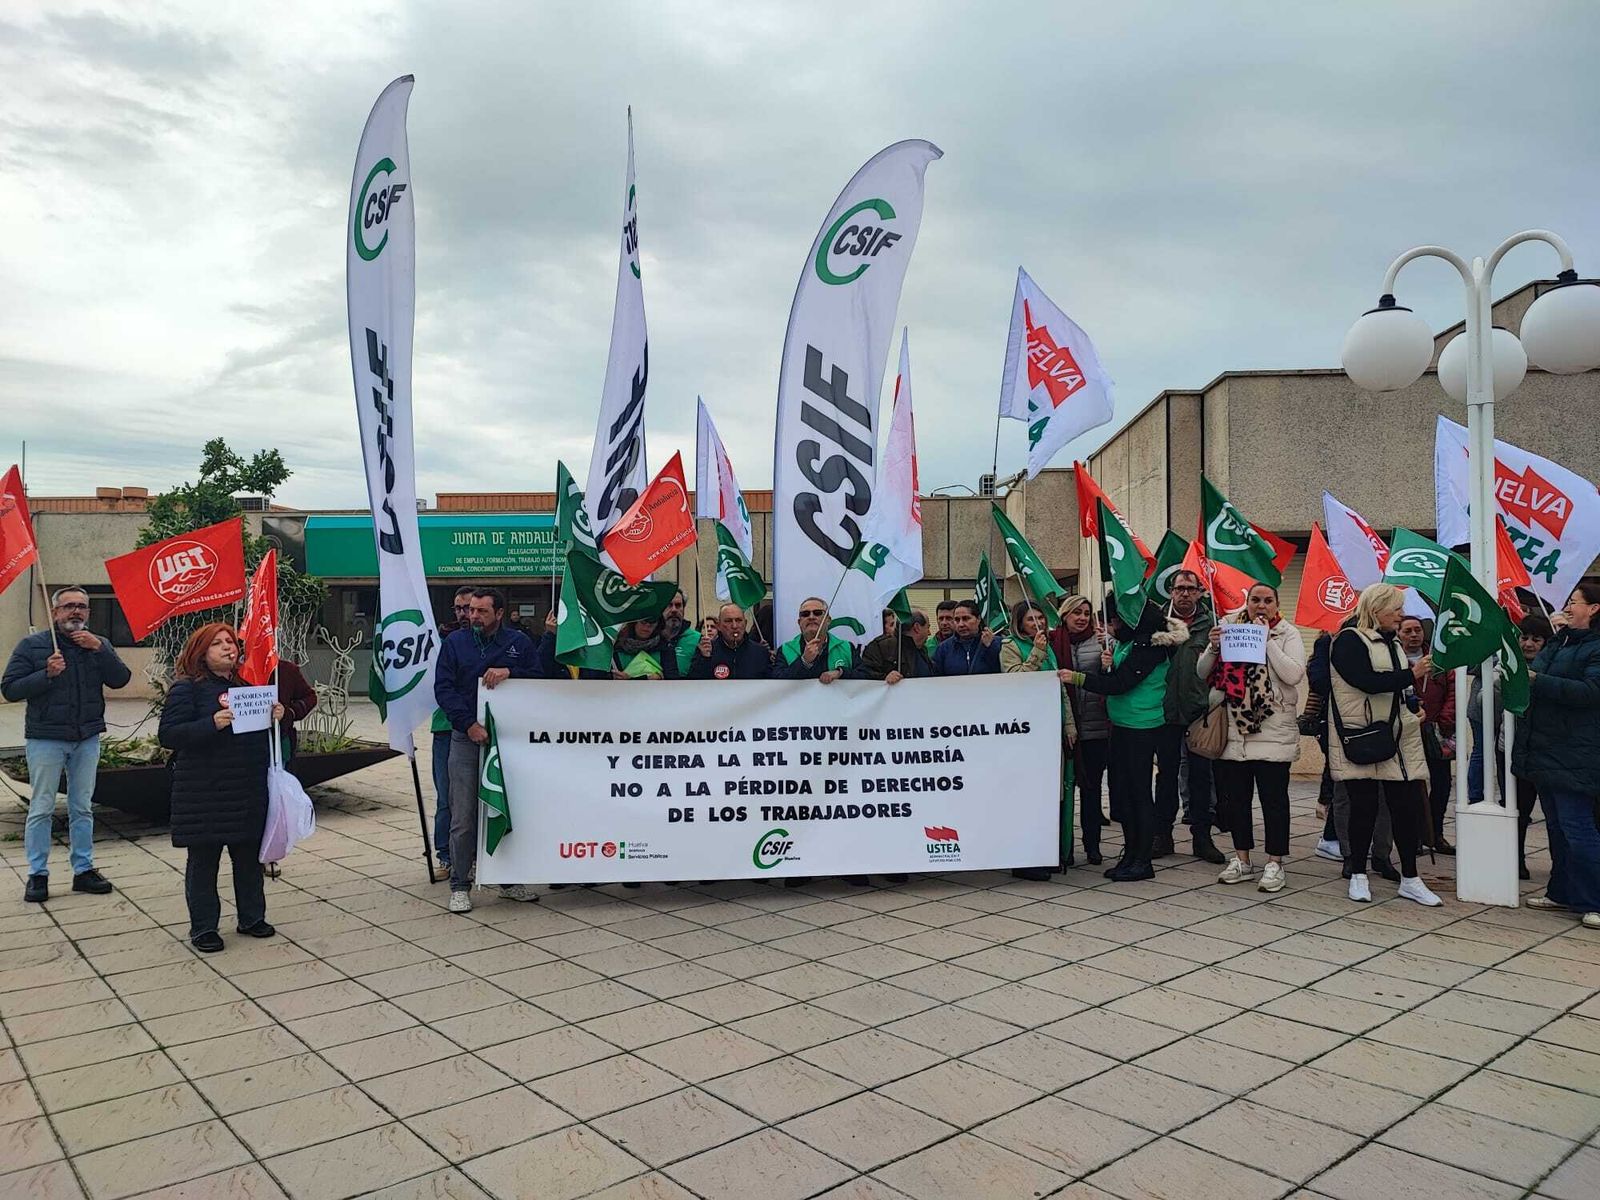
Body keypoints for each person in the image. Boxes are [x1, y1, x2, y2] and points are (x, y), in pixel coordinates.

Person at [158, 623, 283, 951]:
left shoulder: (247, 687)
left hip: (246, 789)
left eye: (230, 642)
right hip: (204, 792)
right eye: (218, 643)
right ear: (201, 652)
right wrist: (210, 724)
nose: (228, 647)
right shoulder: (186, 688)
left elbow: (260, 737)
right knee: (204, 863)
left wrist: (276, 716)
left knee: (248, 859)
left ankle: (252, 917)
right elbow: (169, 734)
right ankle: (203, 928)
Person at [4, 585, 131, 903]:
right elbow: (10, 689)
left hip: (86, 737)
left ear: (88, 612)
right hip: (46, 738)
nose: (76, 611)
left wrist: (100, 650)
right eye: (69, 606)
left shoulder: (98, 644)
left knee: (82, 807)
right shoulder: (33, 645)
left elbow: (120, 679)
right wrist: (46, 674)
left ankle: (83, 870)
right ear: (55, 611)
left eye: (82, 606)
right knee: (42, 807)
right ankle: (37, 874)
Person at [1327, 583, 1441, 906]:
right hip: (1364, 736)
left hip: (1399, 737)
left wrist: (1414, 704)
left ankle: (1411, 878)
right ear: (1376, 609)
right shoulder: (1348, 640)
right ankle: (1358, 875)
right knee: (1363, 808)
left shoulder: (1393, 642)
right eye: (1396, 608)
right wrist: (1412, 674)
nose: (1401, 615)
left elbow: (1397, 688)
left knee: (1405, 809)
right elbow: (1366, 681)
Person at [434, 587, 540, 913]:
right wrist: (468, 724)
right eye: (471, 610)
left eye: (481, 611)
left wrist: (512, 672)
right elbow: (443, 688)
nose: (473, 616)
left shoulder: (518, 643)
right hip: (466, 739)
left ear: (499, 613)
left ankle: (507, 881)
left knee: (505, 810)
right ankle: (460, 885)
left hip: (508, 741)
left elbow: (540, 677)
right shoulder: (455, 643)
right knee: (463, 815)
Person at [1068, 598, 1189, 882]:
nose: (1111, 625)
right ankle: (1131, 852)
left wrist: (1077, 678)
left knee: (1139, 794)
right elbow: (1116, 674)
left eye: (1114, 620)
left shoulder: (1150, 646)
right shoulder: (1129, 642)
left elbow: (1120, 684)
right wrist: (1107, 664)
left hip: (1141, 727)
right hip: (1122, 724)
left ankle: (1142, 859)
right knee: (1123, 794)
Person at [1198, 584, 1306, 893]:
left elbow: (1293, 675)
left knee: (1274, 801)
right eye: (1255, 600)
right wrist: (1213, 647)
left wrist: (1267, 641)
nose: (1261, 605)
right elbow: (1201, 672)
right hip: (1234, 731)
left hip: (1273, 730)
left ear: (1276, 604)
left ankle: (1275, 863)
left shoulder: (1287, 633)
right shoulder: (1230, 626)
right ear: (1247, 602)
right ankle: (1242, 859)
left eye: (1267, 600)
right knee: (1236, 802)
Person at [1513, 584, 1600, 928]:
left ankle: (1593, 900)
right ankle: (1561, 891)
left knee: (1578, 827)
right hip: (1546, 748)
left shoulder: (1595, 647)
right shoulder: (1560, 641)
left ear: (1593, 609)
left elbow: (1591, 692)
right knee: (1556, 827)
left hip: (1575, 751)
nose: (1567, 606)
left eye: (1574, 602)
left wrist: (1539, 681)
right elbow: (1537, 673)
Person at [1308, 623, 1398, 880]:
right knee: (1345, 793)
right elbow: (1319, 681)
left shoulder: (1386, 639)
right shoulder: (1330, 641)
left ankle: (1382, 854)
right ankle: (1349, 853)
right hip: (1343, 725)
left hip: (1382, 722)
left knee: (1384, 794)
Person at [1468, 614, 1550, 879]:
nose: (1529, 644)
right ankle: (1515, 860)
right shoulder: (1505, 662)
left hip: (1548, 751)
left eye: (1536, 639)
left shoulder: (1554, 666)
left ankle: (1562, 866)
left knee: (1554, 811)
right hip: (1511, 748)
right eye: (1524, 638)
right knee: (1515, 808)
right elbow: (1484, 703)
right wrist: (1501, 682)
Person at [1002, 600, 1079, 879]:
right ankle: (1026, 858)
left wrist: (1069, 724)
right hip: (1026, 731)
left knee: (1053, 794)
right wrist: (1036, 652)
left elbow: (1058, 687)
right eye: (1030, 619)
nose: (1038, 623)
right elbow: (1015, 681)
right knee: (1029, 796)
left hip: (1051, 727)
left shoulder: (1049, 648)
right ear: (1019, 623)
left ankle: (1051, 851)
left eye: (1040, 618)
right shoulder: (1010, 646)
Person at [1156, 571, 1225, 865]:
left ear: (1200, 592)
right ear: (1171, 591)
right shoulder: (1157, 621)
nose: (1185, 593)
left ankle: (1202, 838)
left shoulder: (1212, 624)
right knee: (1166, 776)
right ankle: (1162, 834)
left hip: (1200, 712)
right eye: (1179, 588)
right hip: (1164, 711)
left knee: (1200, 777)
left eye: (1191, 589)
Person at [427, 586, 475, 880]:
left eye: (468, 608)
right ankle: (446, 856)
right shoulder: (443, 640)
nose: (463, 614)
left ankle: (472, 855)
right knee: (447, 797)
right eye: (458, 608)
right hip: (446, 728)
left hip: (479, 729)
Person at [777, 598, 856, 682]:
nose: (811, 617)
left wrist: (840, 672)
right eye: (805, 614)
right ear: (799, 622)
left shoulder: (847, 647)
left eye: (817, 613)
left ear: (828, 620)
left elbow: (863, 675)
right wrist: (804, 661)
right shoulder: (785, 649)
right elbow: (777, 681)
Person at [688, 604, 772, 679]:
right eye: (728, 621)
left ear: (745, 623)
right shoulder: (708, 650)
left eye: (738, 620)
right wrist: (704, 659)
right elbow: (694, 683)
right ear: (719, 626)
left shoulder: (760, 652)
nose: (734, 626)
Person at [856, 609, 932, 683]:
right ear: (917, 627)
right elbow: (863, 676)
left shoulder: (922, 650)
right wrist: (884, 678)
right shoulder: (880, 647)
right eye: (927, 627)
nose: (929, 633)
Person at [933, 600, 1000, 675]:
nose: (961, 624)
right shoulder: (943, 649)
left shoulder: (998, 643)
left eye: (966, 619)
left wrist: (991, 647)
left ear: (978, 619)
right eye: (957, 620)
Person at [612, 611, 680, 680]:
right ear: (634, 622)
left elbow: (673, 679)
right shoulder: (617, 647)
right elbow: (607, 676)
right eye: (643, 621)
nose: (647, 625)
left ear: (658, 625)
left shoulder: (665, 648)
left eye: (653, 622)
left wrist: (660, 678)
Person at [661, 589, 701, 677]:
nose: (674, 610)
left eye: (678, 605)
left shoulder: (698, 639)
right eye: (669, 605)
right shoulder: (651, 638)